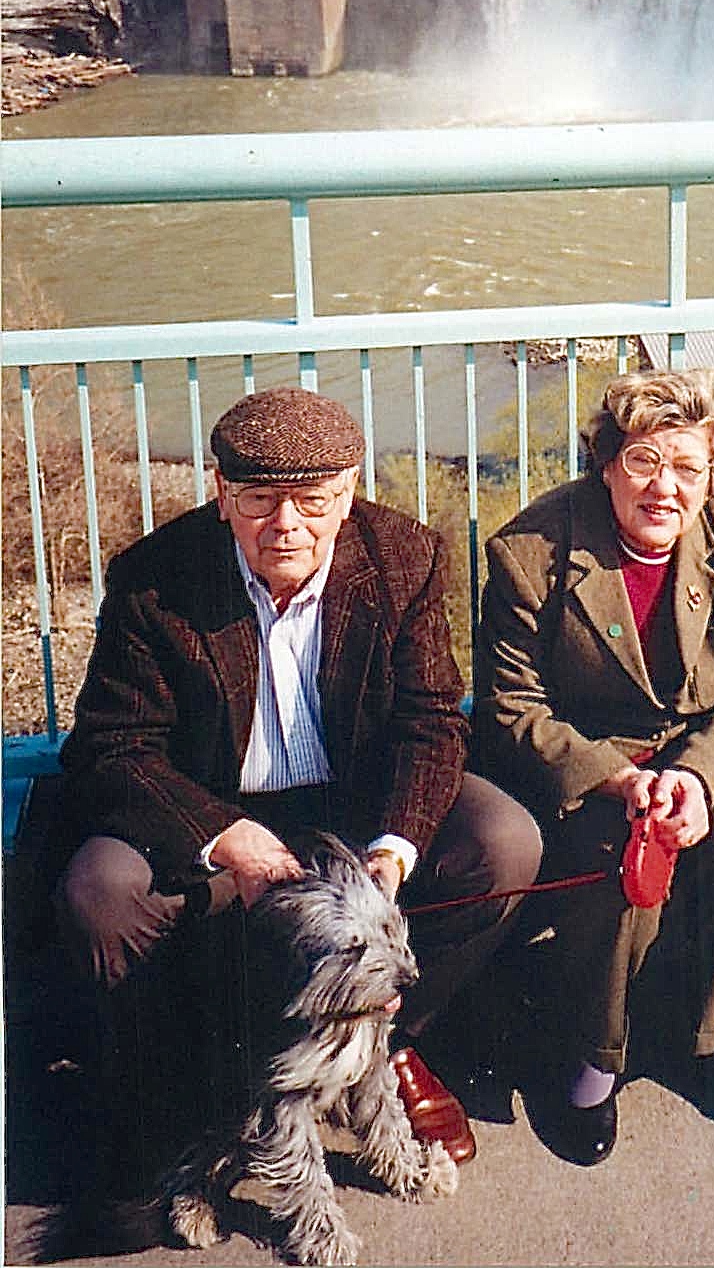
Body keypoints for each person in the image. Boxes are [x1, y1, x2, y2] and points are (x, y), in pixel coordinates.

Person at [53, 386, 542, 1252]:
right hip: (215, 805)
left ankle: (376, 1041)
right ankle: (188, 1096)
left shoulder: (406, 558)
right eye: (258, 499)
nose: (287, 522)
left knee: (504, 842)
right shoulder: (153, 578)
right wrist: (222, 834)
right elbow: (113, 746)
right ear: (220, 492)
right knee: (101, 890)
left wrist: (391, 851)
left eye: (313, 501)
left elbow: (433, 721)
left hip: (347, 805)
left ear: (347, 493)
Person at [474, 369, 714, 1166]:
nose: (665, 486)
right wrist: (616, 780)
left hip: (703, 749)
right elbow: (510, 706)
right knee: (620, 874)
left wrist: (692, 781)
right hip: (593, 755)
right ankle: (593, 1054)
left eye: (688, 467)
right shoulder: (529, 552)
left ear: (713, 475)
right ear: (607, 463)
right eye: (644, 460)